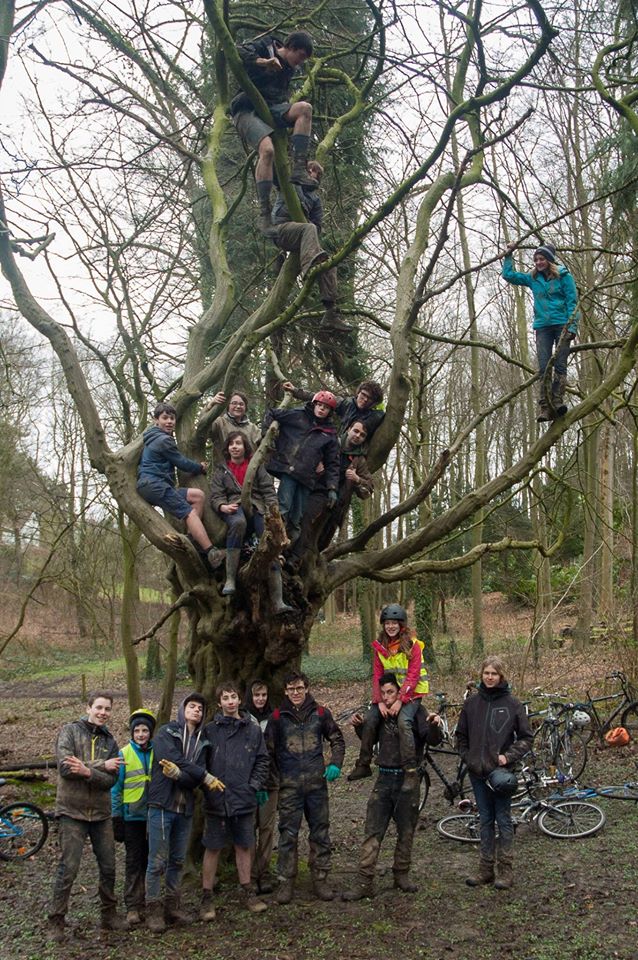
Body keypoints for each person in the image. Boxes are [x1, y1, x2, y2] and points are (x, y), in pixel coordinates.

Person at [343, 673, 443, 900]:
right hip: (384, 778)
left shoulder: (416, 712)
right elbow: (370, 737)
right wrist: (360, 727)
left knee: (406, 830)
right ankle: (364, 881)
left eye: (391, 692)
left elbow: (432, 739)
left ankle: (401, 874)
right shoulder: (379, 713)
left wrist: (434, 726)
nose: (387, 698)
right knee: (373, 830)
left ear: (400, 692)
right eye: (383, 693)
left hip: (409, 779)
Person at [48, 691, 127, 942]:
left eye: (107, 709)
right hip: (71, 811)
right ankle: (56, 921)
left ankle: (109, 914)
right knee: (68, 868)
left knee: (109, 866)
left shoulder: (110, 741)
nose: (103, 713)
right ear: (88, 708)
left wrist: (87, 770)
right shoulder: (69, 731)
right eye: (99, 707)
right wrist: (100, 765)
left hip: (101, 814)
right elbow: (65, 768)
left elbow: (111, 780)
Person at [145, 693, 223, 933]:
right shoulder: (166, 733)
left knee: (177, 860)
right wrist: (203, 775)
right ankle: (153, 910)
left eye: (200, 708)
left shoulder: (202, 743)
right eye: (192, 706)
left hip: (185, 808)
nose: (196, 710)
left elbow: (192, 779)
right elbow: (171, 758)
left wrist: (182, 775)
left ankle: (172, 907)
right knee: (157, 861)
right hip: (162, 804)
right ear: (182, 709)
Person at [265, 671, 345, 904]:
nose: (296, 692)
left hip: (316, 785)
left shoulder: (320, 713)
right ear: (285, 691)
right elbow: (267, 752)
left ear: (307, 688)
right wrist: (274, 780)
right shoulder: (277, 717)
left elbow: (337, 739)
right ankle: (286, 881)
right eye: (291, 689)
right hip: (289, 787)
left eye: (299, 688)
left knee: (320, 831)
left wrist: (335, 764)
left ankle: (320, 878)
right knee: (288, 834)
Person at [455, 655, 533, 890]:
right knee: (485, 819)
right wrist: (468, 757)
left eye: (494, 674)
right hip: (476, 772)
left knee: (503, 819)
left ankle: (506, 871)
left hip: (500, 774)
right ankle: (485, 869)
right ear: (481, 675)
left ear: (501, 676)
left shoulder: (512, 704)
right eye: (486, 673)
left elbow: (527, 738)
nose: (489, 677)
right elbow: (460, 737)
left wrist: (507, 757)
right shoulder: (471, 704)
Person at [229, 31, 317, 233]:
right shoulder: (266, 45)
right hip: (246, 109)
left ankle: (299, 168)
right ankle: (265, 215)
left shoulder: (290, 70)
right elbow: (237, 50)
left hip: (272, 108)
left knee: (305, 109)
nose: (300, 62)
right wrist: (264, 62)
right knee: (268, 151)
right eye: (300, 56)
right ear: (291, 47)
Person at [200, 682, 271, 920]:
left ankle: (248, 891)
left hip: (243, 797)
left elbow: (262, 760)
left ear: (240, 700)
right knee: (213, 847)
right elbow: (200, 762)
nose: (230, 702)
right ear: (219, 702)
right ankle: (206, 896)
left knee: (244, 845)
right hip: (216, 799)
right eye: (225, 698)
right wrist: (207, 786)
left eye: (233, 697)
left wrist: (253, 786)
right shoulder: (210, 730)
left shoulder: (252, 729)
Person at [209, 430, 293, 612]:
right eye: (231, 444)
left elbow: (268, 491)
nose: (234, 447)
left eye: (238, 443)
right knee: (238, 523)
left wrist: (273, 513)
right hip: (233, 506)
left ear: (245, 447)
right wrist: (222, 506)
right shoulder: (222, 470)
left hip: (257, 506)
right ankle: (230, 579)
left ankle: (278, 600)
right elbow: (215, 495)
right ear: (227, 448)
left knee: (269, 538)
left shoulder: (256, 467)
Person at [347, 604, 429, 782]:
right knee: (370, 719)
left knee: (404, 722)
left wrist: (400, 700)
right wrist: (379, 701)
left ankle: (410, 768)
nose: (390, 626)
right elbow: (378, 676)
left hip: (412, 694)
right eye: (387, 623)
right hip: (389, 694)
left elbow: (413, 675)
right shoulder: (380, 647)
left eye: (394, 623)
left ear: (401, 625)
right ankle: (363, 764)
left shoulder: (413, 645)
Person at [502, 241, 580, 422]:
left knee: (560, 365)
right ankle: (545, 407)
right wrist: (508, 254)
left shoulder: (564, 276)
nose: (538, 262)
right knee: (544, 367)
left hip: (562, 325)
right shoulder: (533, 278)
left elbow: (572, 302)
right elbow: (509, 275)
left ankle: (557, 401)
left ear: (549, 260)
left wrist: (572, 327)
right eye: (536, 259)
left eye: (542, 259)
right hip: (542, 326)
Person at [137, 402, 220, 568]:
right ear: (156, 420)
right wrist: (200, 467)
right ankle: (210, 551)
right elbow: (181, 463)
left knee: (198, 496)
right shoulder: (163, 440)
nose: (169, 421)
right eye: (165, 418)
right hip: (154, 484)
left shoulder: (152, 437)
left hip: (153, 485)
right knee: (189, 513)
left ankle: (192, 538)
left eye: (172, 418)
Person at [286, 418, 374, 569]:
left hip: (338, 505)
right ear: (348, 430)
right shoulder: (332, 442)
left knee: (323, 540)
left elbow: (369, 488)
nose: (358, 436)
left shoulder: (359, 460)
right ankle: (293, 558)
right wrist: (316, 464)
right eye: (356, 431)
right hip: (318, 491)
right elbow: (308, 453)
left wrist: (357, 479)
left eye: (362, 435)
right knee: (305, 520)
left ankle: (305, 565)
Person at [270, 160, 346, 331]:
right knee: (309, 228)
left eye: (316, 173)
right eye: (310, 170)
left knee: (329, 263)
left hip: (302, 238)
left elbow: (318, 227)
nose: (312, 174)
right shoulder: (290, 181)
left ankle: (330, 312)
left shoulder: (315, 200)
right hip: (281, 230)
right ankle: (309, 268)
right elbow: (275, 172)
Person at [262, 390, 340, 543]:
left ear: (330, 411)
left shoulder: (330, 434)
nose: (321, 409)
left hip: (307, 478)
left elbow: (333, 463)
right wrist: (267, 435)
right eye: (319, 405)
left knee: (297, 517)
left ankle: (289, 548)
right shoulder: (298, 415)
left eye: (326, 407)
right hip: (289, 469)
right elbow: (272, 413)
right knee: (283, 507)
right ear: (314, 404)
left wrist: (332, 488)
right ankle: (273, 542)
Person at [111, 708, 156, 926]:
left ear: (150, 732)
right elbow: (116, 788)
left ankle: (148, 900)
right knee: (133, 861)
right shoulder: (124, 753)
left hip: (153, 815)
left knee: (151, 860)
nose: (140, 734)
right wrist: (116, 816)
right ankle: (132, 905)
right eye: (137, 731)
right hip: (132, 817)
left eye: (144, 730)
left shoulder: (158, 752)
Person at [243, 680, 280, 895]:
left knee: (267, 828)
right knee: (249, 828)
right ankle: (248, 875)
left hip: (271, 781)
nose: (260, 699)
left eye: (264, 695)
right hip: (248, 783)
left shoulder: (274, 718)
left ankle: (262, 872)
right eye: (257, 695)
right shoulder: (243, 717)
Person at [282, 378, 385, 440]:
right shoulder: (346, 404)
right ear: (358, 393)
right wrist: (295, 391)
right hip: (338, 446)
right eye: (364, 395)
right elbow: (320, 397)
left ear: (374, 402)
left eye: (370, 398)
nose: (365, 399)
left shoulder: (375, 416)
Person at [208, 390, 262, 465]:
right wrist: (209, 406)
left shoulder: (253, 428)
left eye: (241, 404)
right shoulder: (219, 422)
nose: (238, 406)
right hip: (224, 470)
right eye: (234, 403)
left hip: (249, 470)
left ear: (245, 408)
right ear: (228, 406)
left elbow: (265, 444)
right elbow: (203, 428)